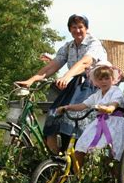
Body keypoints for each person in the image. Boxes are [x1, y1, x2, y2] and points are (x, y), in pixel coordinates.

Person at [16, 14, 107, 154]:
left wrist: (66, 76)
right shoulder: (68, 46)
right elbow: (52, 66)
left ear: (87, 28)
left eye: (80, 27)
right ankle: (56, 160)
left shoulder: (93, 43)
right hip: (76, 85)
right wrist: (31, 80)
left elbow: (85, 62)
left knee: (72, 118)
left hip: (93, 86)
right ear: (70, 30)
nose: (77, 30)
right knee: (53, 115)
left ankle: (75, 155)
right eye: (74, 27)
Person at [56, 61, 124, 167]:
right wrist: (67, 107)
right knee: (80, 146)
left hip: (115, 125)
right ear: (95, 81)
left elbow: (113, 106)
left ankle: (114, 177)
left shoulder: (116, 91)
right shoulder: (97, 95)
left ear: (112, 79)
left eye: (107, 78)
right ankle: (80, 177)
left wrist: (106, 108)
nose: (104, 81)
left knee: (110, 155)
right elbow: (82, 105)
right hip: (99, 124)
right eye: (100, 79)